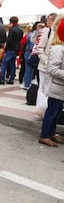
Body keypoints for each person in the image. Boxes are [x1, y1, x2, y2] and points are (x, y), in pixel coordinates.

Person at [38, 14, 64, 147]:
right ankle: (45, 135)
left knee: (57, 111)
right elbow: (53, 69)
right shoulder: (57, 47)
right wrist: (46, 61)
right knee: (52, 111)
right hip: (56, 86)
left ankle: (51, 133)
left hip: (60, 87)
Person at [31, 13, 57, 119]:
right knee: (42, 88)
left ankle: (46, 110)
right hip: (45, 64)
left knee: (50, 89)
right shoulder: (46, 31)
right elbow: (37, 45)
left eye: (51, 19)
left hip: (55, 65)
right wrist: (46, 60)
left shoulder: (56, 32)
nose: (49, 21)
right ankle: (40, 111)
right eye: (48, 19)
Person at [0, 16, 23, 85]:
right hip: (16, 49)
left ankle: (2, 79)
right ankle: (11, 79)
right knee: (13, 65)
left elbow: (9, 40)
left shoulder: (12, 30)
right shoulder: (20, 30)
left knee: (4, 64)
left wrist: (6, 48)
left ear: (11, 22)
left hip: (10, 48)